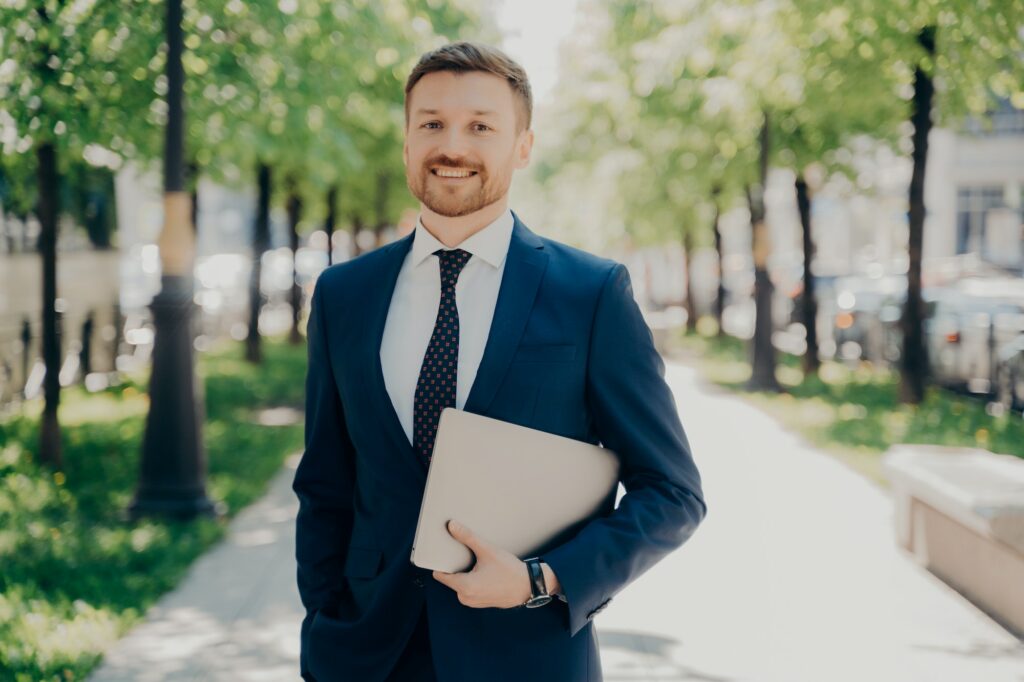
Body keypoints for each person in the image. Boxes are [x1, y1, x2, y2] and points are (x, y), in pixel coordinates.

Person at [293, 41, 707, 682]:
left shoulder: (591, 294)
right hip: (363, 654)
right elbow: (324, 483)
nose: (452, 146)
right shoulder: (343, 295)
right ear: (406, 141)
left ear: (522, 146)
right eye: (431, 123)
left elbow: (673, 494)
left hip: (527, 654)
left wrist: (542, 580)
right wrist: (322, 622)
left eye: (480, 126)